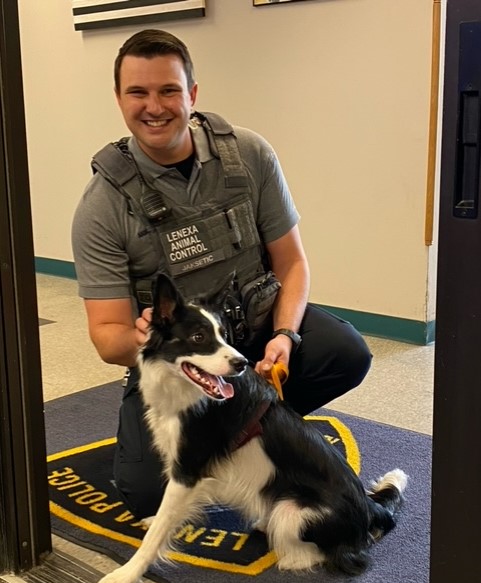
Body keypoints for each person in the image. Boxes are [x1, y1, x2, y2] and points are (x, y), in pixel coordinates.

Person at [71, 29, 372, 520]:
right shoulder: (103, 205)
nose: (154, 106)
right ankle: (233, 437)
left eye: (169, 90)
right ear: (119, 98)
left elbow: (292, 263)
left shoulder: (249, 155)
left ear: (191, 94)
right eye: (138, 92)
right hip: (179, 367)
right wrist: (151, 341)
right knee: (145, 493)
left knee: (345, 353)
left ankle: (257, 432)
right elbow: (107, 337)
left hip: (253, 331)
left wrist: (285, 335)